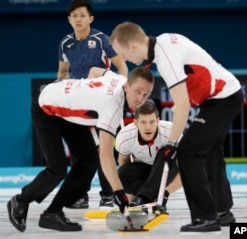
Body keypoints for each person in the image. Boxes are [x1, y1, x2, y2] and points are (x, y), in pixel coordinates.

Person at [109, 22, 243, 232]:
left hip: (223, 98)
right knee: (210, 153)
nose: (124, 59)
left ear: (133, 46)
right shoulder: (163, 44)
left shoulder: (165, 56)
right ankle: (222, 213)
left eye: (122, 53)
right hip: (220, 98)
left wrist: (171, 143)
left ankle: (205, 218)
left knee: (187, 151)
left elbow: (182, 104)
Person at [7, 66, 154, 232]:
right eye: (138, 91)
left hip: (65, 105)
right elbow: (106, 155)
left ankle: (53, 213)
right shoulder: (112, 106)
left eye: (146, 95)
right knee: (57, 170)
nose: (140, 99)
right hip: (47, 108)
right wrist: (119, 193)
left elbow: (95, 70)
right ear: (127, 86)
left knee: (88, 159)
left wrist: (85, 93)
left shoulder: (118, 79)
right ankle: (20, 201)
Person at [57, 0, 128, 209]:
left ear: (90, 18)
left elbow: (123, 69)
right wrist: (58, 90)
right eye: (74, 16)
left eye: (82, 15)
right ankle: (80, 195)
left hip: (102, 100)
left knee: (103, 148)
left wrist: (115, 89)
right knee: (81, 151)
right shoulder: (65, 43)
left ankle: (108, 193)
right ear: (69, 19)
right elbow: (62, 73)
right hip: (78, 103)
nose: (78, 19)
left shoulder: (101, 40)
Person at [115, 101, 182, 213]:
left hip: (166, 172)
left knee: (167, 151)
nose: (148, 127)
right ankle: (140, 199)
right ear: (135, 123)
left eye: (152, 122)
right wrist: (132, 193)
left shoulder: (172, 132)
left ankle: (145, 198)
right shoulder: (125, 136)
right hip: (143, 171)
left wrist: (165, 194)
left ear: (158, 121)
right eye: (143, 122)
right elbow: (124, 163)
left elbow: (186, 170)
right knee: (122, 172)